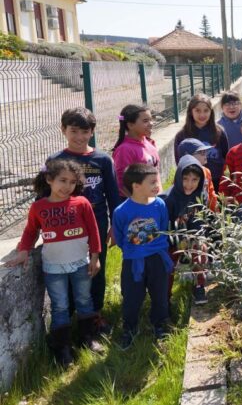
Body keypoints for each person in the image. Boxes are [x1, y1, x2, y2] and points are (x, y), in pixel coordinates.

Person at [6, 160, 103, 367]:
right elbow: (31, 231)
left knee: (84, 299)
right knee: (60, 307)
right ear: (49, 180)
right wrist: (24, 252)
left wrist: (95, 257)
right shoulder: (38, 207)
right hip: (53, 267)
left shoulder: (82, 204)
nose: (67, 186)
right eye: (62, 180)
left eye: (72, 182)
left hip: (80, 263)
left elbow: (94, 231)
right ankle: (63, 348)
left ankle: (88, 338)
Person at [46, 107, 119, 331]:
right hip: (64, 226)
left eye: (84, 131)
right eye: (74, 131)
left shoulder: (103, 160)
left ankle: (94, 315)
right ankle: (66, 319)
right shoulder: (56, 160)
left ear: (92, 132)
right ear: (63, 130)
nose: (79, 137)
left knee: (95, 268)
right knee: (67, 269)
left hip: (96, 223)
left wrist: (115, 226)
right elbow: (43, 197)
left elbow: (113, 194)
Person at [113, 163, 172, 349]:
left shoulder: (160, 204)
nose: (157, 185)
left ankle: (160, 325)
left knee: (160, 295)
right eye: (152, 182)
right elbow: (121, 238)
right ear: (136, 186)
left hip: (157, 258)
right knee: (131, 298)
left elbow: (163, 227)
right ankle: (130, 328)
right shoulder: (121, 211)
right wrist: (137, 251)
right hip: (133, 262)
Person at [162, 155, 209, 305]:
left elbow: (200, 222)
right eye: (185, 179)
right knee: (166, 265)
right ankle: (164, 298)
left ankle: (199, 285)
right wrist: (176, 242)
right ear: (178, 177)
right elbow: (163, 227)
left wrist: (194, 238)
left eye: (194, 180)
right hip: (169, 240)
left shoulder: (201, 195)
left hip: (189, 237)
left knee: (200, 249)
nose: (189, 184)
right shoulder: (168, 199)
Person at [173, 94, 229, 192]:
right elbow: (180, 162)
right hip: (193, 183)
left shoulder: (219, 132)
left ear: (211, 112)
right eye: (197, 110)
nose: (202, 115)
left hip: (217, 180)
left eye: (206, 110)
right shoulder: (182, 135)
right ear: (191, 112)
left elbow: (226, 157)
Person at [113, 104, 159, 197]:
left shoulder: (149, 142)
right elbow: (121, 183)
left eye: (151, 119)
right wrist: (138, 203)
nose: (151, 124)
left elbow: (156, 174)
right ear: (130, 125)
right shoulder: (124, 150)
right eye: (145, 121)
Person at [177, 138, 218, 211]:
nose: (205, 155)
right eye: (201, 152)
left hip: (205, 213)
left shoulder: (206, 171)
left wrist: (216, 213)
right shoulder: (180, 174)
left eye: (205, 152)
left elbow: (211, 194)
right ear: (188, 156)